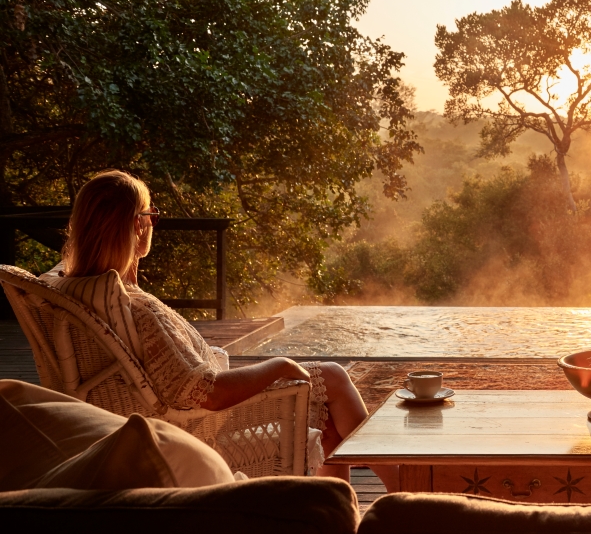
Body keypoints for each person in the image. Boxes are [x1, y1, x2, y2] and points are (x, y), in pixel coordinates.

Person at [48, 169, 398, 491]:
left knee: (330, 426)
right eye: (151, 215)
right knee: (334, 378)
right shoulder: (138, 309)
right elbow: (207, 393)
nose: (154, 222)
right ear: (137, 226)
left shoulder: (74, 292)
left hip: (152, 425)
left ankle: (344, 513)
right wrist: (277, 365)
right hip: (196, 429)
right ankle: (413, 492)